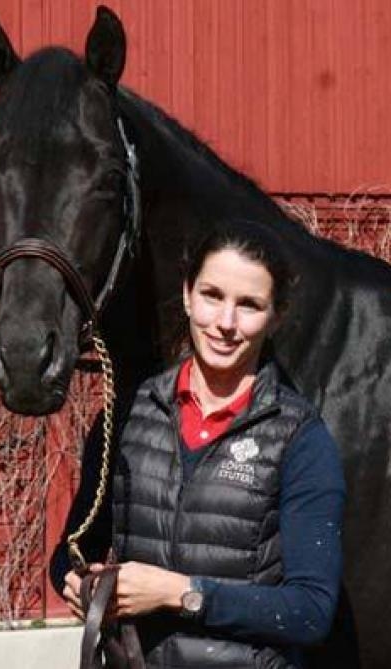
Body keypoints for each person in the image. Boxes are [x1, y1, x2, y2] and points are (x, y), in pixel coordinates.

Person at [54, 223, 346, 667]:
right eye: (213, 295)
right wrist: (79, 585)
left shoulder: (300, 438)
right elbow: (73, 552)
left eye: (249, 305)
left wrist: (183, 594)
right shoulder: (127, 415)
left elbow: (310, 612)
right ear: (188, 295)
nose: (226, 323)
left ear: (276, 316)